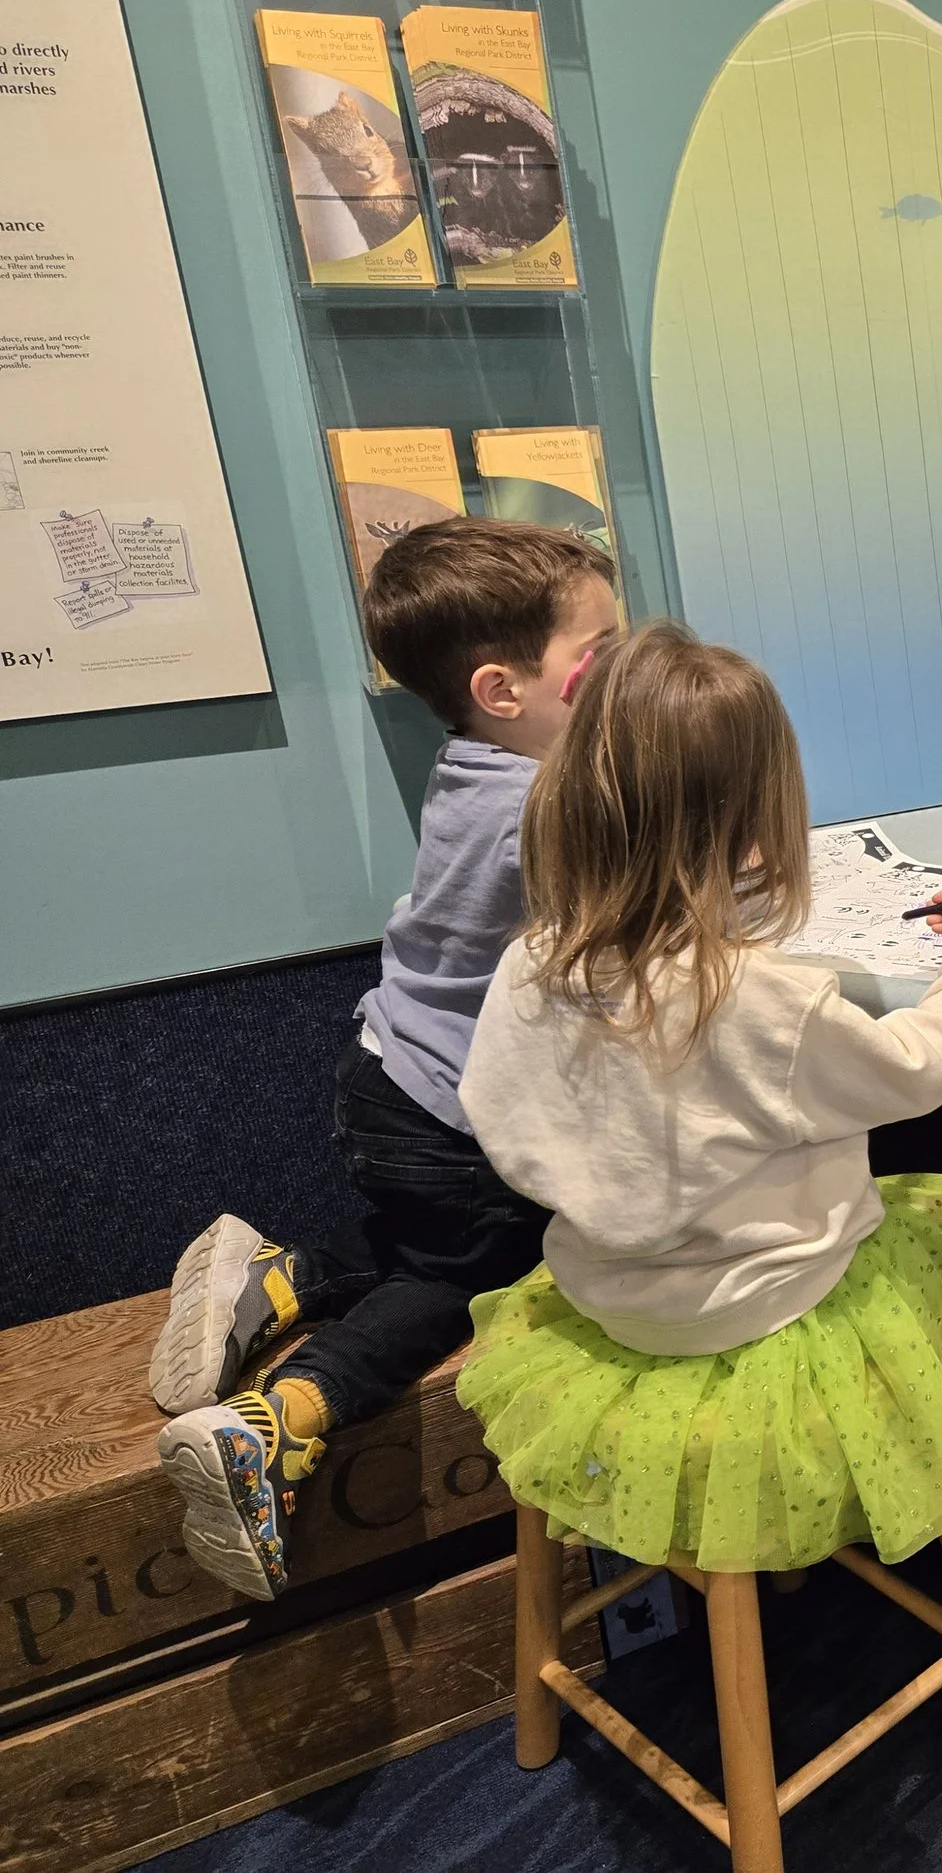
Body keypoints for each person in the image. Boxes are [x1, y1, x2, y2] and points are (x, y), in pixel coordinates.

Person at [453, 623, 942, 1574]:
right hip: (776, 1306)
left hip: (614, 1301)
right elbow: (920, 1064)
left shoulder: (530, 966)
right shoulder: (762, 1002)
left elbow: (500, 1115)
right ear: (752, 824)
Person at [150, 518, 620, 1601]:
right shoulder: (550, 803)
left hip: (389, 1077)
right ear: (504, 689)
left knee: (431, 1249)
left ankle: (283, 1276)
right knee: (474, 1279)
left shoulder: (476, 766)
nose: (627, 672)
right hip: (457, 1118)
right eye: (601, 657)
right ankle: (283, 1418)